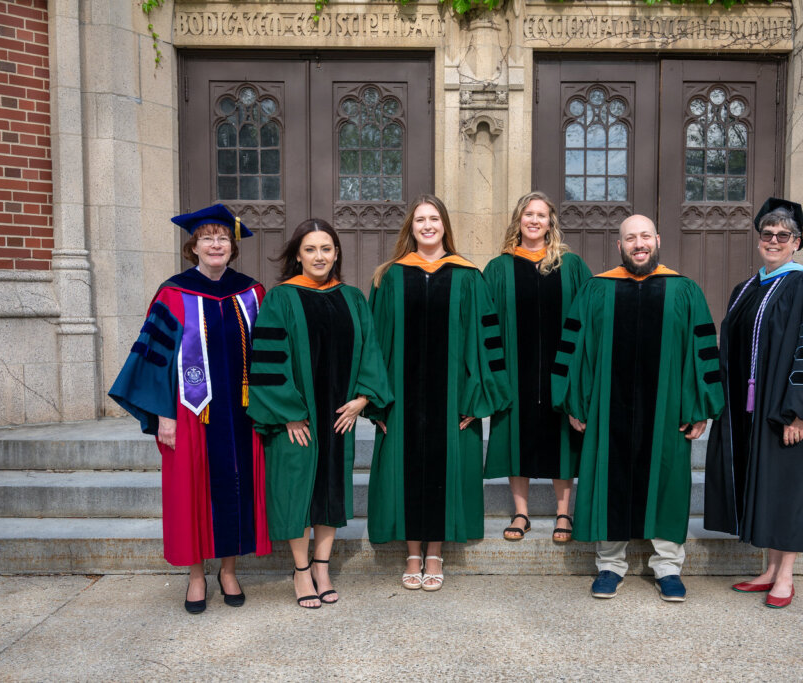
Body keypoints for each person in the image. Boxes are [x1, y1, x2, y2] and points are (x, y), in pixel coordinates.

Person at [109, 203, 271, 614]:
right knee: (192, 492)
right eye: (207, 237)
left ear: (232, 247)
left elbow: (270, 355)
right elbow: (154, 358)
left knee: (237, 485)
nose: (215, 244)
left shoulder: (252, 292)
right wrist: (164, 413)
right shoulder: (174, 293)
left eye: (222, 238)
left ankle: (229, 570)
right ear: (193, 246)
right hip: (191, 414)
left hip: (242, 413)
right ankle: (197, 575)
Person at [552, 214, 724, 602]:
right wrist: (574, 401)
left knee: (667, 480)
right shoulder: (597, 289)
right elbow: (574, 351)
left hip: (666, 411)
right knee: (608, 478)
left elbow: (701, 353)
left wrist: (701, 407)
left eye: (645, 236)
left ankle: (667, 566)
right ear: (620, 246)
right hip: (607, 409)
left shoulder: (684, 290)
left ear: (658, 240)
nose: (639, 244)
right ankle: (610, 565)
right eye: (631, 238)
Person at [367, 194, 511, 591]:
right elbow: (373, 343)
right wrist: (376, 401)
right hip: (401, 397)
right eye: (420, 220)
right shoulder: (390, 276)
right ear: (410, 228)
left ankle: (435, 552)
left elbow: (487, 346)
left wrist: (477, 398)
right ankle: (413, 552)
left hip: (452, 397)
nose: (427, 226)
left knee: (443, 471)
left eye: (434, 219)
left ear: (445, 225)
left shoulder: (468, 276)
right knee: (409, 469)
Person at [246, 219, 393, 610]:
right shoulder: (280, 298)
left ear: (336, 253)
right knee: (298, 491)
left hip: (338, 415)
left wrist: (364, 398)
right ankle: (300, 570)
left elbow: (370, 351)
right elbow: (268, 362)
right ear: (297, 254)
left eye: (326, 248)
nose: (319, 256)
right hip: (299, 417)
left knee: (330, 491)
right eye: (310, 249)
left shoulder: (352, 297)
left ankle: (322, 566)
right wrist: (289, 413)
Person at [704, 198, 803, 609]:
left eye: (784, 235)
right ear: (759, 239)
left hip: (788, 411)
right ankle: (768, 569)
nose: (775, 241)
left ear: (797, 242)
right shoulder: (745, 288)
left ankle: (786, 576)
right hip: (751, 411)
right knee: (766, 487)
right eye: (767, 235)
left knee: (787, 486)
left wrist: (801, 412)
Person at [483, 192, 591, 543]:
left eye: (541, 215)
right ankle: (521, 513)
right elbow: (486, 324)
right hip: (516, 368)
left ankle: (564, 513)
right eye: (528, 214)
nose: (534, 220)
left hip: (560, 368)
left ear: (550, 222)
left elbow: (589, 317)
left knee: (562, 435)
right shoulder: (499, 268)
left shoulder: (571, 266)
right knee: (518, 433)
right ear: (518, 220)